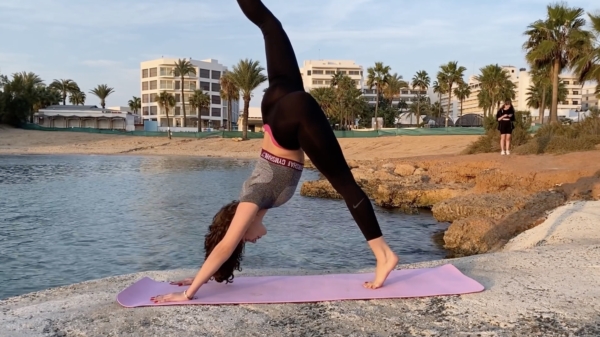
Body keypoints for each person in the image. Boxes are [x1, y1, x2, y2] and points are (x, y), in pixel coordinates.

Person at [150, 0, 398, 304]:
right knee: (270, 26)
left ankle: (384, 256)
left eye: (246, 239)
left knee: (346, 185)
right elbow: (224, 248)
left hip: (292, 118)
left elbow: (226, 245)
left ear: (240, 227)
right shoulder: (257, 202)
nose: (252, 240)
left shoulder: (251, 203)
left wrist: (188, 294)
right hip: (277, 106)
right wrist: (207, 275)